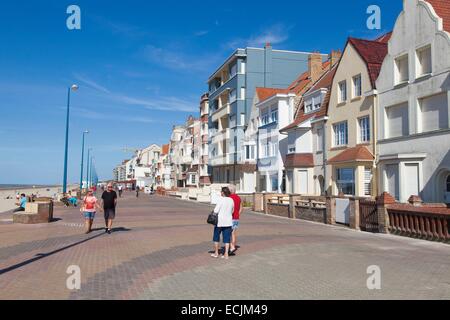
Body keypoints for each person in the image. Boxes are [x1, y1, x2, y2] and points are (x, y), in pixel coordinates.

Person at [211, 187, 234, 260]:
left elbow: (216, 210)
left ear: (223, 193)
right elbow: (232, 210)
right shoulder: (231, 200)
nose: (220, 192)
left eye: (221, 191)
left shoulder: (221, 200)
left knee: (216, 237)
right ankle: (226, 254)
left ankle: (216, 253)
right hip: (228, 221)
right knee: (227, 238)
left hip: (220, 222)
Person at [229, 185, 243, 254]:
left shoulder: (229, 198)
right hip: (236, 218)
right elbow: (241, 208)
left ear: (230, 191)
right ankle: (233, 246)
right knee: (233, 233)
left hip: (230, 218)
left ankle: (231, 247)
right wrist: (237, 214)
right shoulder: (238, 198)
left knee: (228, 233)